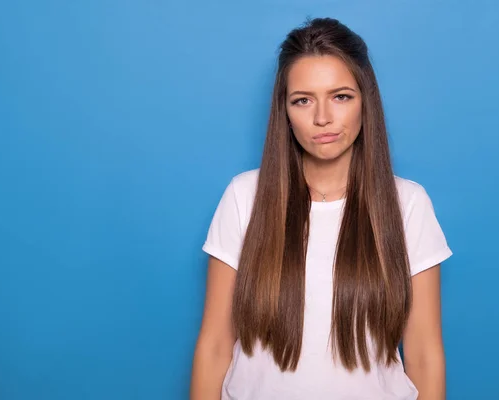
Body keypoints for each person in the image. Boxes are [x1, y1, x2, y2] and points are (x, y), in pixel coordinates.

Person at [190, 17, 453, 400]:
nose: (322, 118)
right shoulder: (244, 196)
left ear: (366, 101)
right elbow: (214, 345)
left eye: (341, 96)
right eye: (303, 100)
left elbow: (425, 355)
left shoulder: (408, 204)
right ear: (285, 110)